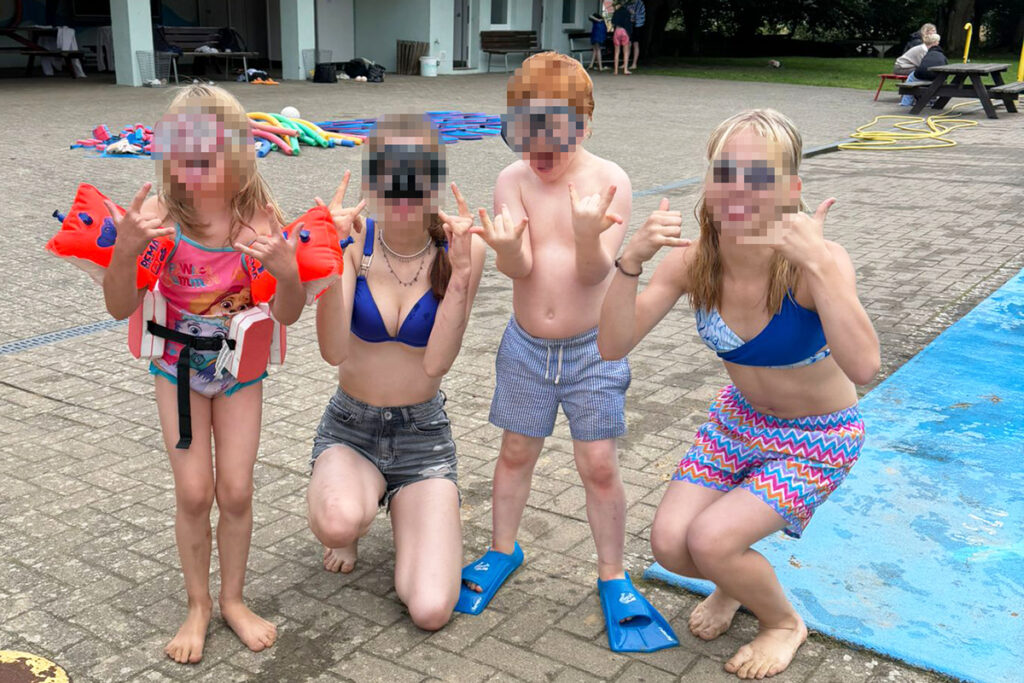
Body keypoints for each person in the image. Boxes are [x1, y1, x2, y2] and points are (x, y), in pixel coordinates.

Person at [598, 108, 879, 678]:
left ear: (790, 190)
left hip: (817, 438)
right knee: (673, 547)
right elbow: (612, 344)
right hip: (739, 422)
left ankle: (782, 623)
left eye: (759, 174)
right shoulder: (693, 259)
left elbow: (865, 366)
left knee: (711, 539)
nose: (737, 188)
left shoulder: (813, 265)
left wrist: (820, 265)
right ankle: (730, 580)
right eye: (725, 169)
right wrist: (629, 261)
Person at [456, 52, 678, 654]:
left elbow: (592, 274)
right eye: (521, 132)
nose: (536, 150)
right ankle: (504, 548)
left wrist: (587, 235)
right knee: (515, 450)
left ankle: (612, 573)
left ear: (582, 125)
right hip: (526, 346)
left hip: (591, 350)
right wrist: (502, 251)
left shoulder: (609, 181)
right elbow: (521, 267)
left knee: (598, 463)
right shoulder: (512, 181)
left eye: (550, 131)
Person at [101, 85, 308, 663]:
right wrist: (124, 251)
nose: (197, 168)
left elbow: (288, 312)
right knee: (194, 493)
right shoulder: (157, 222)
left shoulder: (259, 222)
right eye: (184, 154)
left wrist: (286, 272)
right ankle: (197, 605)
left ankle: (234, 601)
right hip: (178, 372)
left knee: (236, 489)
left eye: (210, 153)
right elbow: (121, 306)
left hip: (240, 372)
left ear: (238, 153)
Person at [307, 114, 486, 631]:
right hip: (351, 428)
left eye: (417, 172)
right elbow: (332, 349)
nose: (402, 186)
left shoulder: (456, 249)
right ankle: (355, 515)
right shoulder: (353, 243)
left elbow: (436, 363)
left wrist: (462, 278)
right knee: (338, 519)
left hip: (422, 437)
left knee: (430, 609)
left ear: (435, 180)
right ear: (370, 181)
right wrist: (328, 260)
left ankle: (402, 502)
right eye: (388, 171)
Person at [901, 33, 944, 106]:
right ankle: (932, 101)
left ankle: (905, 103)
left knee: (911, 78)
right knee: (939, 79)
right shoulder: (942, 56)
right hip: (933, 76)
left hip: (920, 73)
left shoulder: (927, 53)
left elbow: (922, 64)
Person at [611, 2, 632, 75]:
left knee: (616, 52)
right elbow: (629, 24)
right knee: (626, 52)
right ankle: (625, 70)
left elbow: (613, 22)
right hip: (624, 31)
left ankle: (616, 71)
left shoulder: (616, 12)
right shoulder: (627, 13)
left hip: (617, 31)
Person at [627, 0, 646, 71]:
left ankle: (634, 64)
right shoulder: (628, 3)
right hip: (629, 26)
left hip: (638, 26)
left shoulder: (640, 3)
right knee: (628, 44)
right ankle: (625, 63)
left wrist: (633, 14)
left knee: (635, 44)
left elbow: (640, 15)